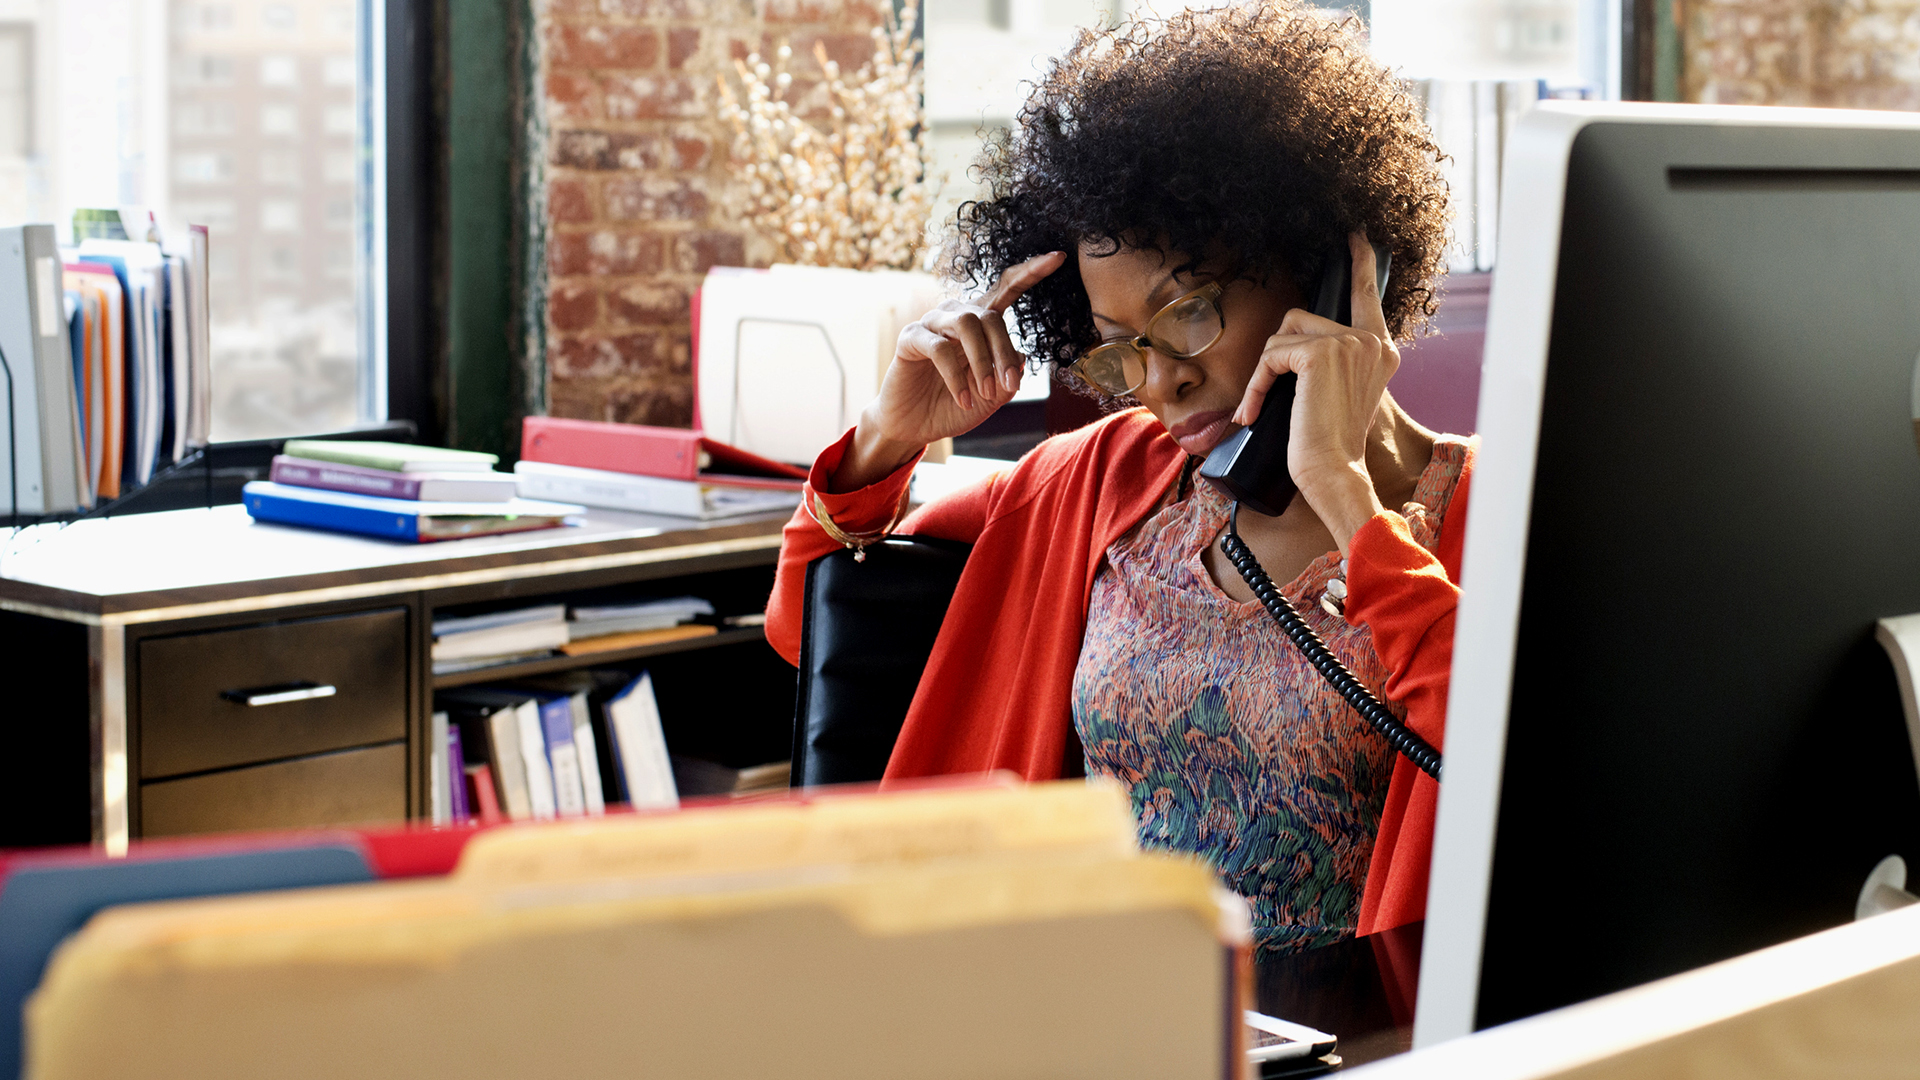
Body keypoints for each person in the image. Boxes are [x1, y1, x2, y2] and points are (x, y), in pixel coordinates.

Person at [766, 1, 1467, 951]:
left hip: (1371, 1037)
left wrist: (1342, 490)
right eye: (1116, 349)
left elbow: (1507, 780)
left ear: (1331, 275)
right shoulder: (1096, 483)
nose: (1161, 380)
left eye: (1187, 313)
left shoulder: (1493, 523)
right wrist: (887, 438)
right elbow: (809, 620)